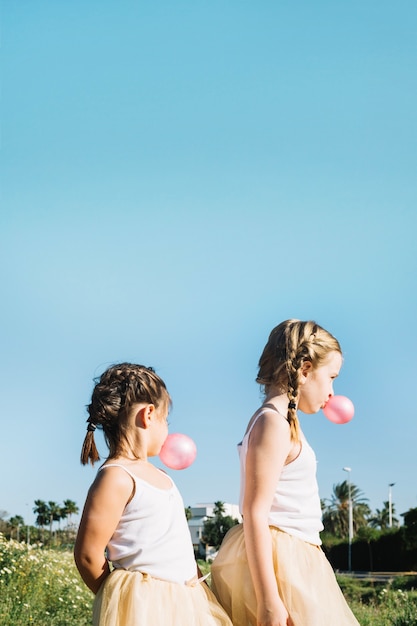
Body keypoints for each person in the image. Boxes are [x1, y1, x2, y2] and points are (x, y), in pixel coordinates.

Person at [211, 320, 360, 626]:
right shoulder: (273, 423)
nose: (332, 393)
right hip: (282, 561)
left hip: (296, 554)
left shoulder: (282, 421)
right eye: (331, 378)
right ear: (305, 371)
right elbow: (254, 512)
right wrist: (269, 600)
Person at [74, 362, 232, 626]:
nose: (167, 428)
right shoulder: (116, 477)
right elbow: (88, 554)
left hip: (186, 603)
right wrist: (118, 598)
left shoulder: (163, 477)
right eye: (165, 418)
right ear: (148, 414)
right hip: (143, 608)